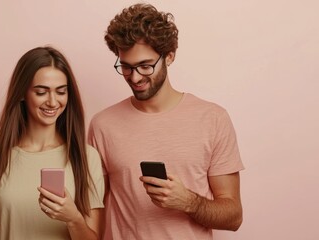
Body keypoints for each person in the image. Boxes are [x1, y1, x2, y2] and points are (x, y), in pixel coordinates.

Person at [87, 3, 244, 240]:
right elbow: (94, 214)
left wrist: (189, 202)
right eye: (126, 67)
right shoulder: (102, 125)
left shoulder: (212, 119)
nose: (135, 77)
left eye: (145, 66)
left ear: (169, 56)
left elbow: (233, 217)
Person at [0, 46, 104, 240]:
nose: (52, 101)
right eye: (41, 92)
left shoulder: (86, 157)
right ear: (22, 93)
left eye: (61, 92)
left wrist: (73, 219)